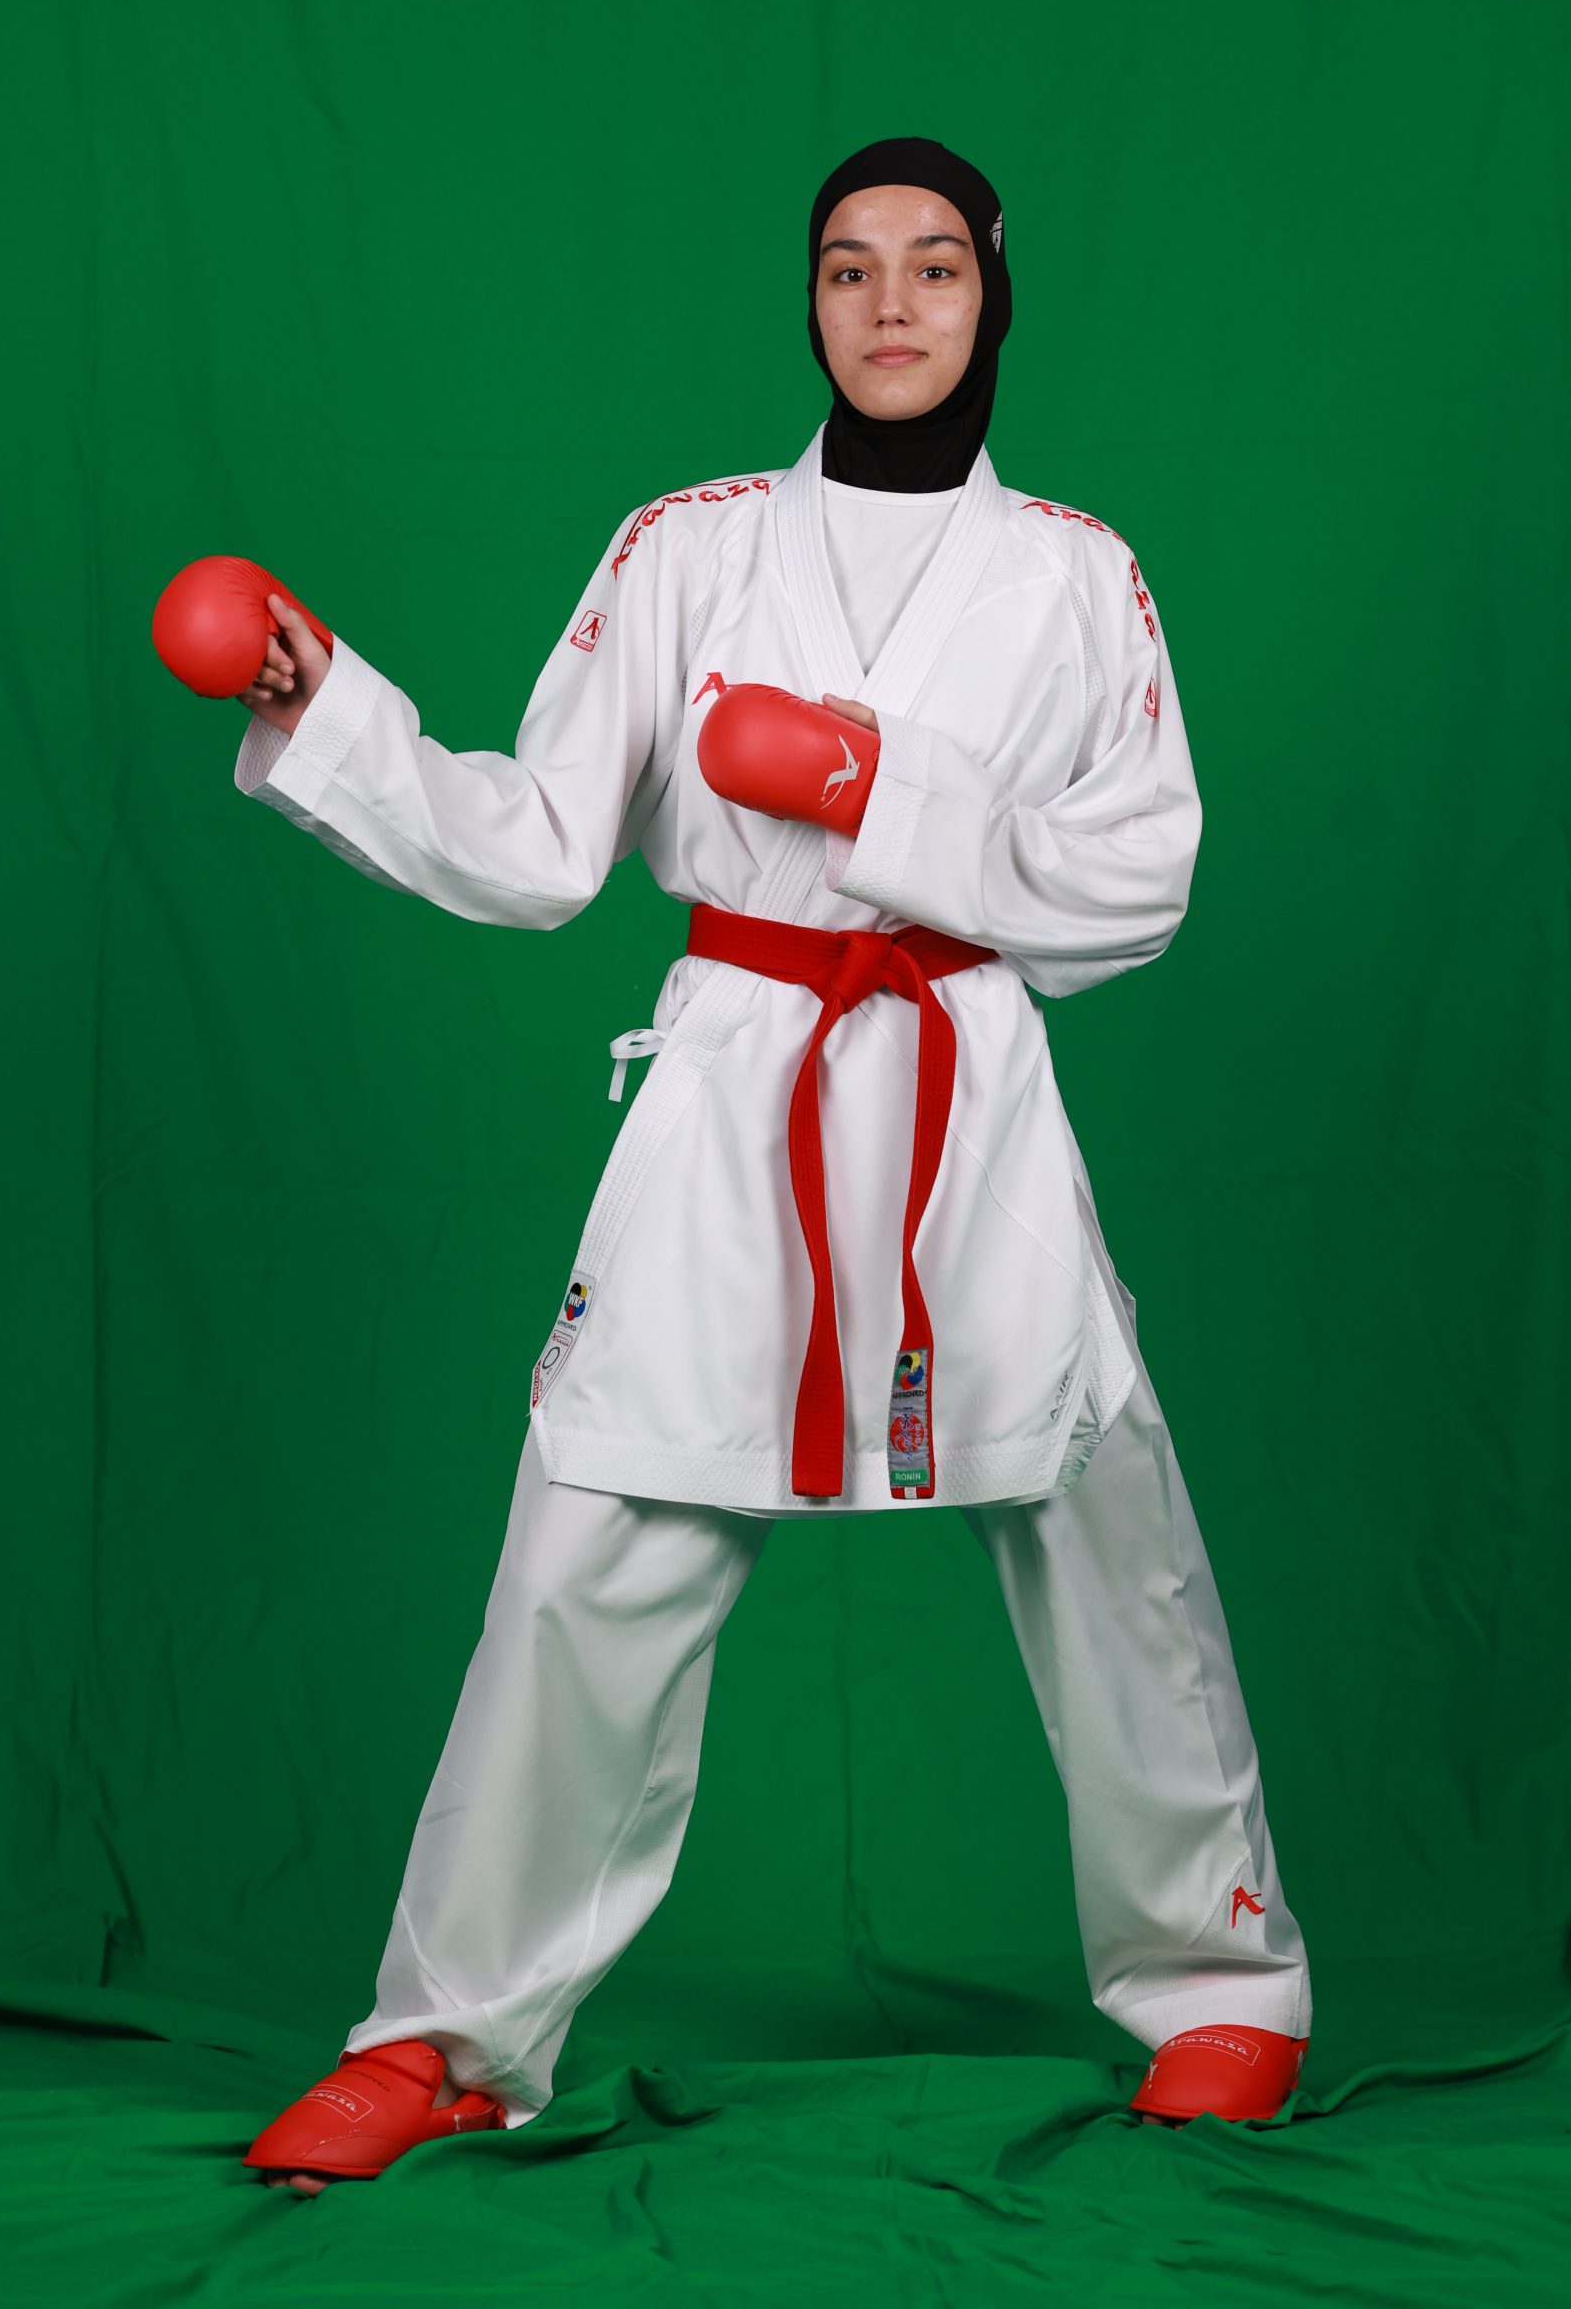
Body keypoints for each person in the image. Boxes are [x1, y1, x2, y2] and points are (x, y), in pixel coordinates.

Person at [237, 137, 1312, 2192]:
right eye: (847, 267)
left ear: (992, 293)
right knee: (590, 1534)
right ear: (807, 302)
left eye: (932, 265)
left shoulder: (1076, 572)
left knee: (1104, 1515)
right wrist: (336, 713)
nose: (889, 303)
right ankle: (447, 2037)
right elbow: (541, 842)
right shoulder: (687, 548)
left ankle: (1221, 1983)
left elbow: (1135, 878)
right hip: (738, 1067)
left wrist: (868, 790)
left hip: (962, 1072)